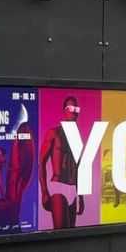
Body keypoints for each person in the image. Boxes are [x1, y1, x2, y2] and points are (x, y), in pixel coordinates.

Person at [39, 96, 84, 228]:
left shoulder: (76, 138)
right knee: (60, 231)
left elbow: (79, 169)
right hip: (58, 188)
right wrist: (44, 192)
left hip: (72, 190)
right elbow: (41, 162)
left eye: (77, 109)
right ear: (65, 110)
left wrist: (81, 197)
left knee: (71, 232)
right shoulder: (54, 133)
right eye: (71, 108)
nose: (74, 111)